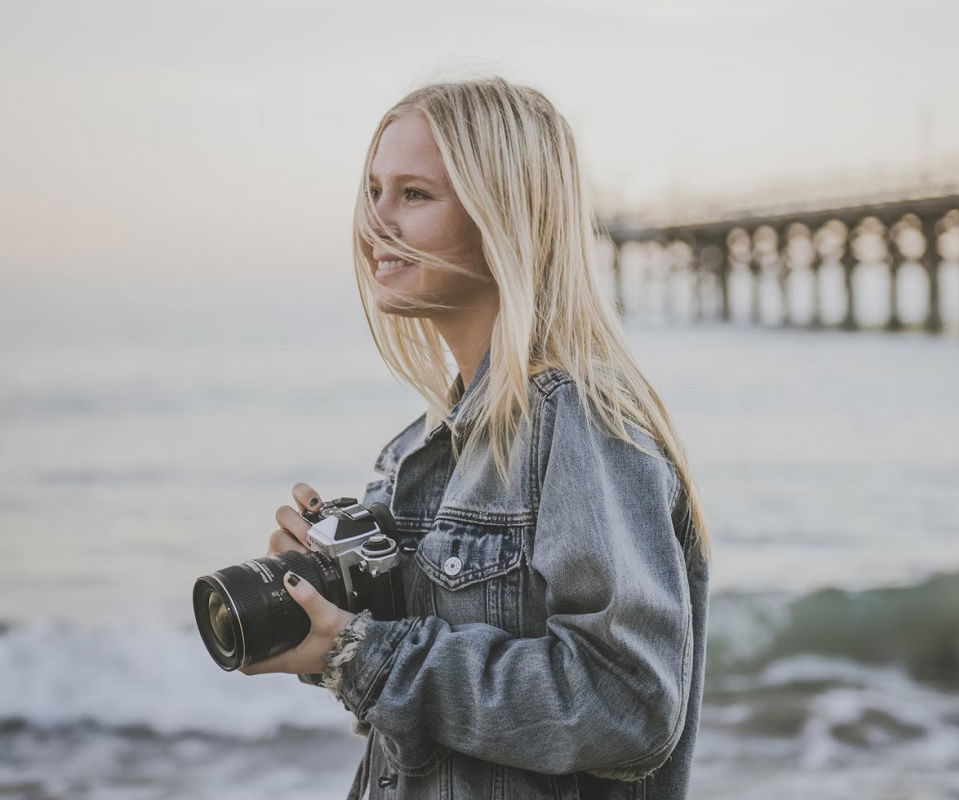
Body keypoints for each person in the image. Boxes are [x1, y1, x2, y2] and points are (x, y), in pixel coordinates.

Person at [239, 75, 711, 800]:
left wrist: (366, 657)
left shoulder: (578, 419)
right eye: (373, 192)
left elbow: (627, 706)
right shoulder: (418, 450)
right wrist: (327, 625)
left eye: (414, 194)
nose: (374, 223)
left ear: (504, 214)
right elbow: (431, 723)